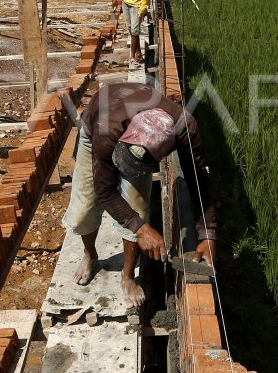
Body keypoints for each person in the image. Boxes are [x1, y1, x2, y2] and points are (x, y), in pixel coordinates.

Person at [62, 82, 216, 306]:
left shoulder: (184, 127)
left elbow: (199, 179)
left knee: (137, 208)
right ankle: (90, 254)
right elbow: (103, 191)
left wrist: (208, 233)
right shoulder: (105, 134)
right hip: (98, 123)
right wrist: (142, 229)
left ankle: (127, 276)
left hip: (129, 112)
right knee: (82, 211)